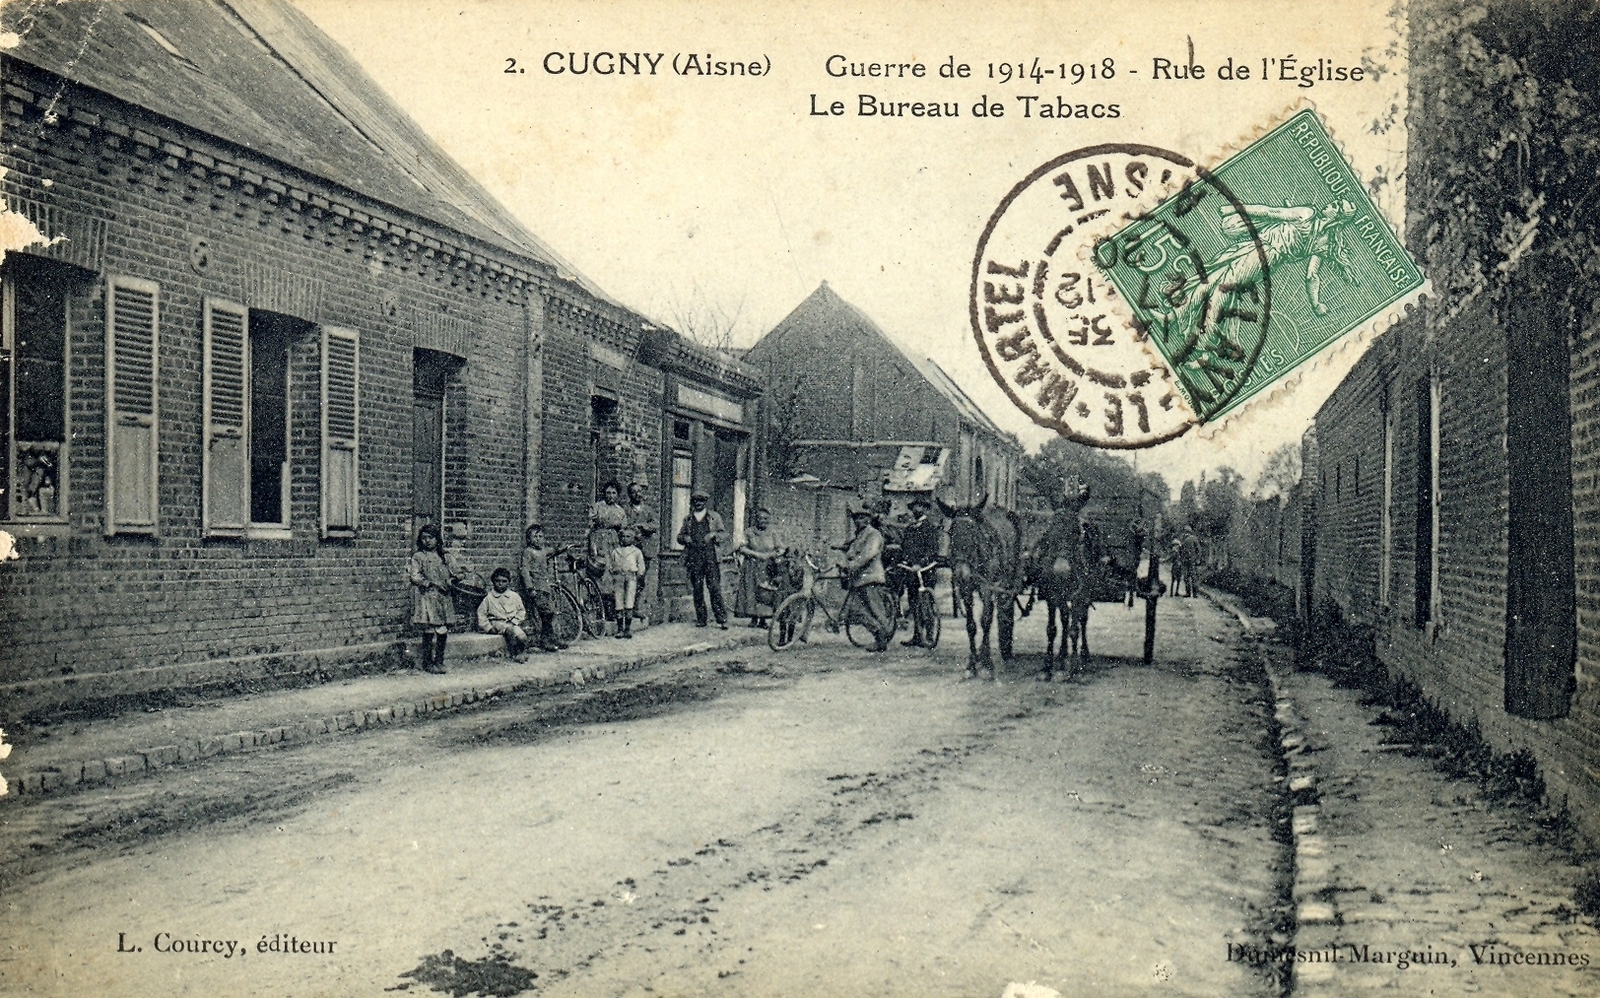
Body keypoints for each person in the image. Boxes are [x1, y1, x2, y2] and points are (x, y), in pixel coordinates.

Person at [841, 503, 895, 653]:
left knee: (875, 610)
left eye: (861, 518)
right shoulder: (860, 535)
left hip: (871, 578)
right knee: (856, 611)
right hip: (859, 579)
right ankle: (879, 635)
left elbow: (869, 554)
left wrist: (852, 565)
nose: (858, 521)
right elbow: (852, 552)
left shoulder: (873, 534)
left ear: (869, 519)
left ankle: (881, 640)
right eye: (856, 518)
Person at [676, 489, 729, 629]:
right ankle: (701, 619)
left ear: (705, 502)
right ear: (692, 503)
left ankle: (722, 619)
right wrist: (685, 538)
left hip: (711, 557)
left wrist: (713, 535)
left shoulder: (714, 517)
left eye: (701, 501)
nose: (698, 503)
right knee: (697, 589)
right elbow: (679, 537)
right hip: (694, 557)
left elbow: (724, 534)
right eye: (696, 501)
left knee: (714, 588)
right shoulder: (688, 519)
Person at [408, 523, 453, 673]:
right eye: (424, 538)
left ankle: (439, 661)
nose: (427, 541)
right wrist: (430, 583)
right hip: (427, 596)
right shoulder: (418, 557)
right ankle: (427, 662)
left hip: (443, 597)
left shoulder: (445, 557)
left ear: (437, 539)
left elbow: (459, 572)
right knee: (428, 628)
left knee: (442, 629)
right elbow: (414, 576)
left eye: (430, 537)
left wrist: (452, 580)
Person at [899, 495, 942, 647]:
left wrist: (921, 563)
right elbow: (905, 547)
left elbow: (932, 550)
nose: (917, 509)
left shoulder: (930, 528)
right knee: (913, 603)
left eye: (920, 507)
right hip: (912, 571)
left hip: (926, 570)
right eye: (915, 507)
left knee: (926, 604)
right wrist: (905, 561)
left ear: (925, 509)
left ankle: (929, 636)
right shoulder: (910, 528)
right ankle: (917, 636)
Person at [520, 523, 568, 651]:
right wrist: (530, 588)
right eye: (534, 537)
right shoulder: (528, 552)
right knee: (546, 614)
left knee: (550, 613)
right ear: (528, 539)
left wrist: (561, 547)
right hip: (537, 588)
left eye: (540, 536)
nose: (538, 539)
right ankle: (545, 640)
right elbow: (525, 571)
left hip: (545, 587)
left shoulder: (543, 551)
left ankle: (553, 638)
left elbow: (554, 551)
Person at [735, 507, 784, 627]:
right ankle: (753, 618)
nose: (763, 521)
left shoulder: (773, 533)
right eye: (760, 518)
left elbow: (781, 548)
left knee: (765, 592)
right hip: (751, 566)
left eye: (766, 518)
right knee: (751, 591)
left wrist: (771, 554)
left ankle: (763, 620)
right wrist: (756, 554)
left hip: (768, 567)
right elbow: (741, 548)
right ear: (756, 519)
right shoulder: (749, 532)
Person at [588, 480, 628, 630]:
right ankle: (600, 610)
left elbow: (623, 529)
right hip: (599, 541)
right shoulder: (597, 507)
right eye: (608, 493)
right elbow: (590, 527)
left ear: (617, 495)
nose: (610, 496)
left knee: (613, 575)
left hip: (614, 543)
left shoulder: (620, 511)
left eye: (613, 493)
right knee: (600, 574)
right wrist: (593, 546)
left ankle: (612, 611)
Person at [477, 567, 530, 661]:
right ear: (493, 581)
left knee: (522, 637)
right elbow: (481, 613)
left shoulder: (514, 596)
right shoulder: (489, 598)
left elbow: (521, 611)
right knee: (509, 630)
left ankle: (522, 651)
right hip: (497, 623)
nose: (500, 584)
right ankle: (515, 653)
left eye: (504, 581)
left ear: (509, 582)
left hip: (511, 623)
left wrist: (515, 621)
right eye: (497, 581)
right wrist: (488, 628)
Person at [626, 481, 659, 624]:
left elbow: (655, 525)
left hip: (645, 549)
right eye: (634, 492)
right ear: (629, 494)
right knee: (629, 578)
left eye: (639, 491)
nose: (637, 494)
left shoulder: (648, 510)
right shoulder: (626, 509)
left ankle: (636, 607)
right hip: (630, 549)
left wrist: (643, 526)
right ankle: (627, 608)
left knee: (641, 579)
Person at [609, 527, 646, 639]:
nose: (625, 539)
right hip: (619, 577)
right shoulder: (616, 552)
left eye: (628, 536)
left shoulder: (636, 552)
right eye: (623, 536)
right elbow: (611, 565)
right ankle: (620, 629)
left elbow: (641, 566)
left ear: (633, 538)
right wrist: (614, 571)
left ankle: (627, 629)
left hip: (631, 577)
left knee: (629, 601)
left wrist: (638, 574)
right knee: (619, 601)